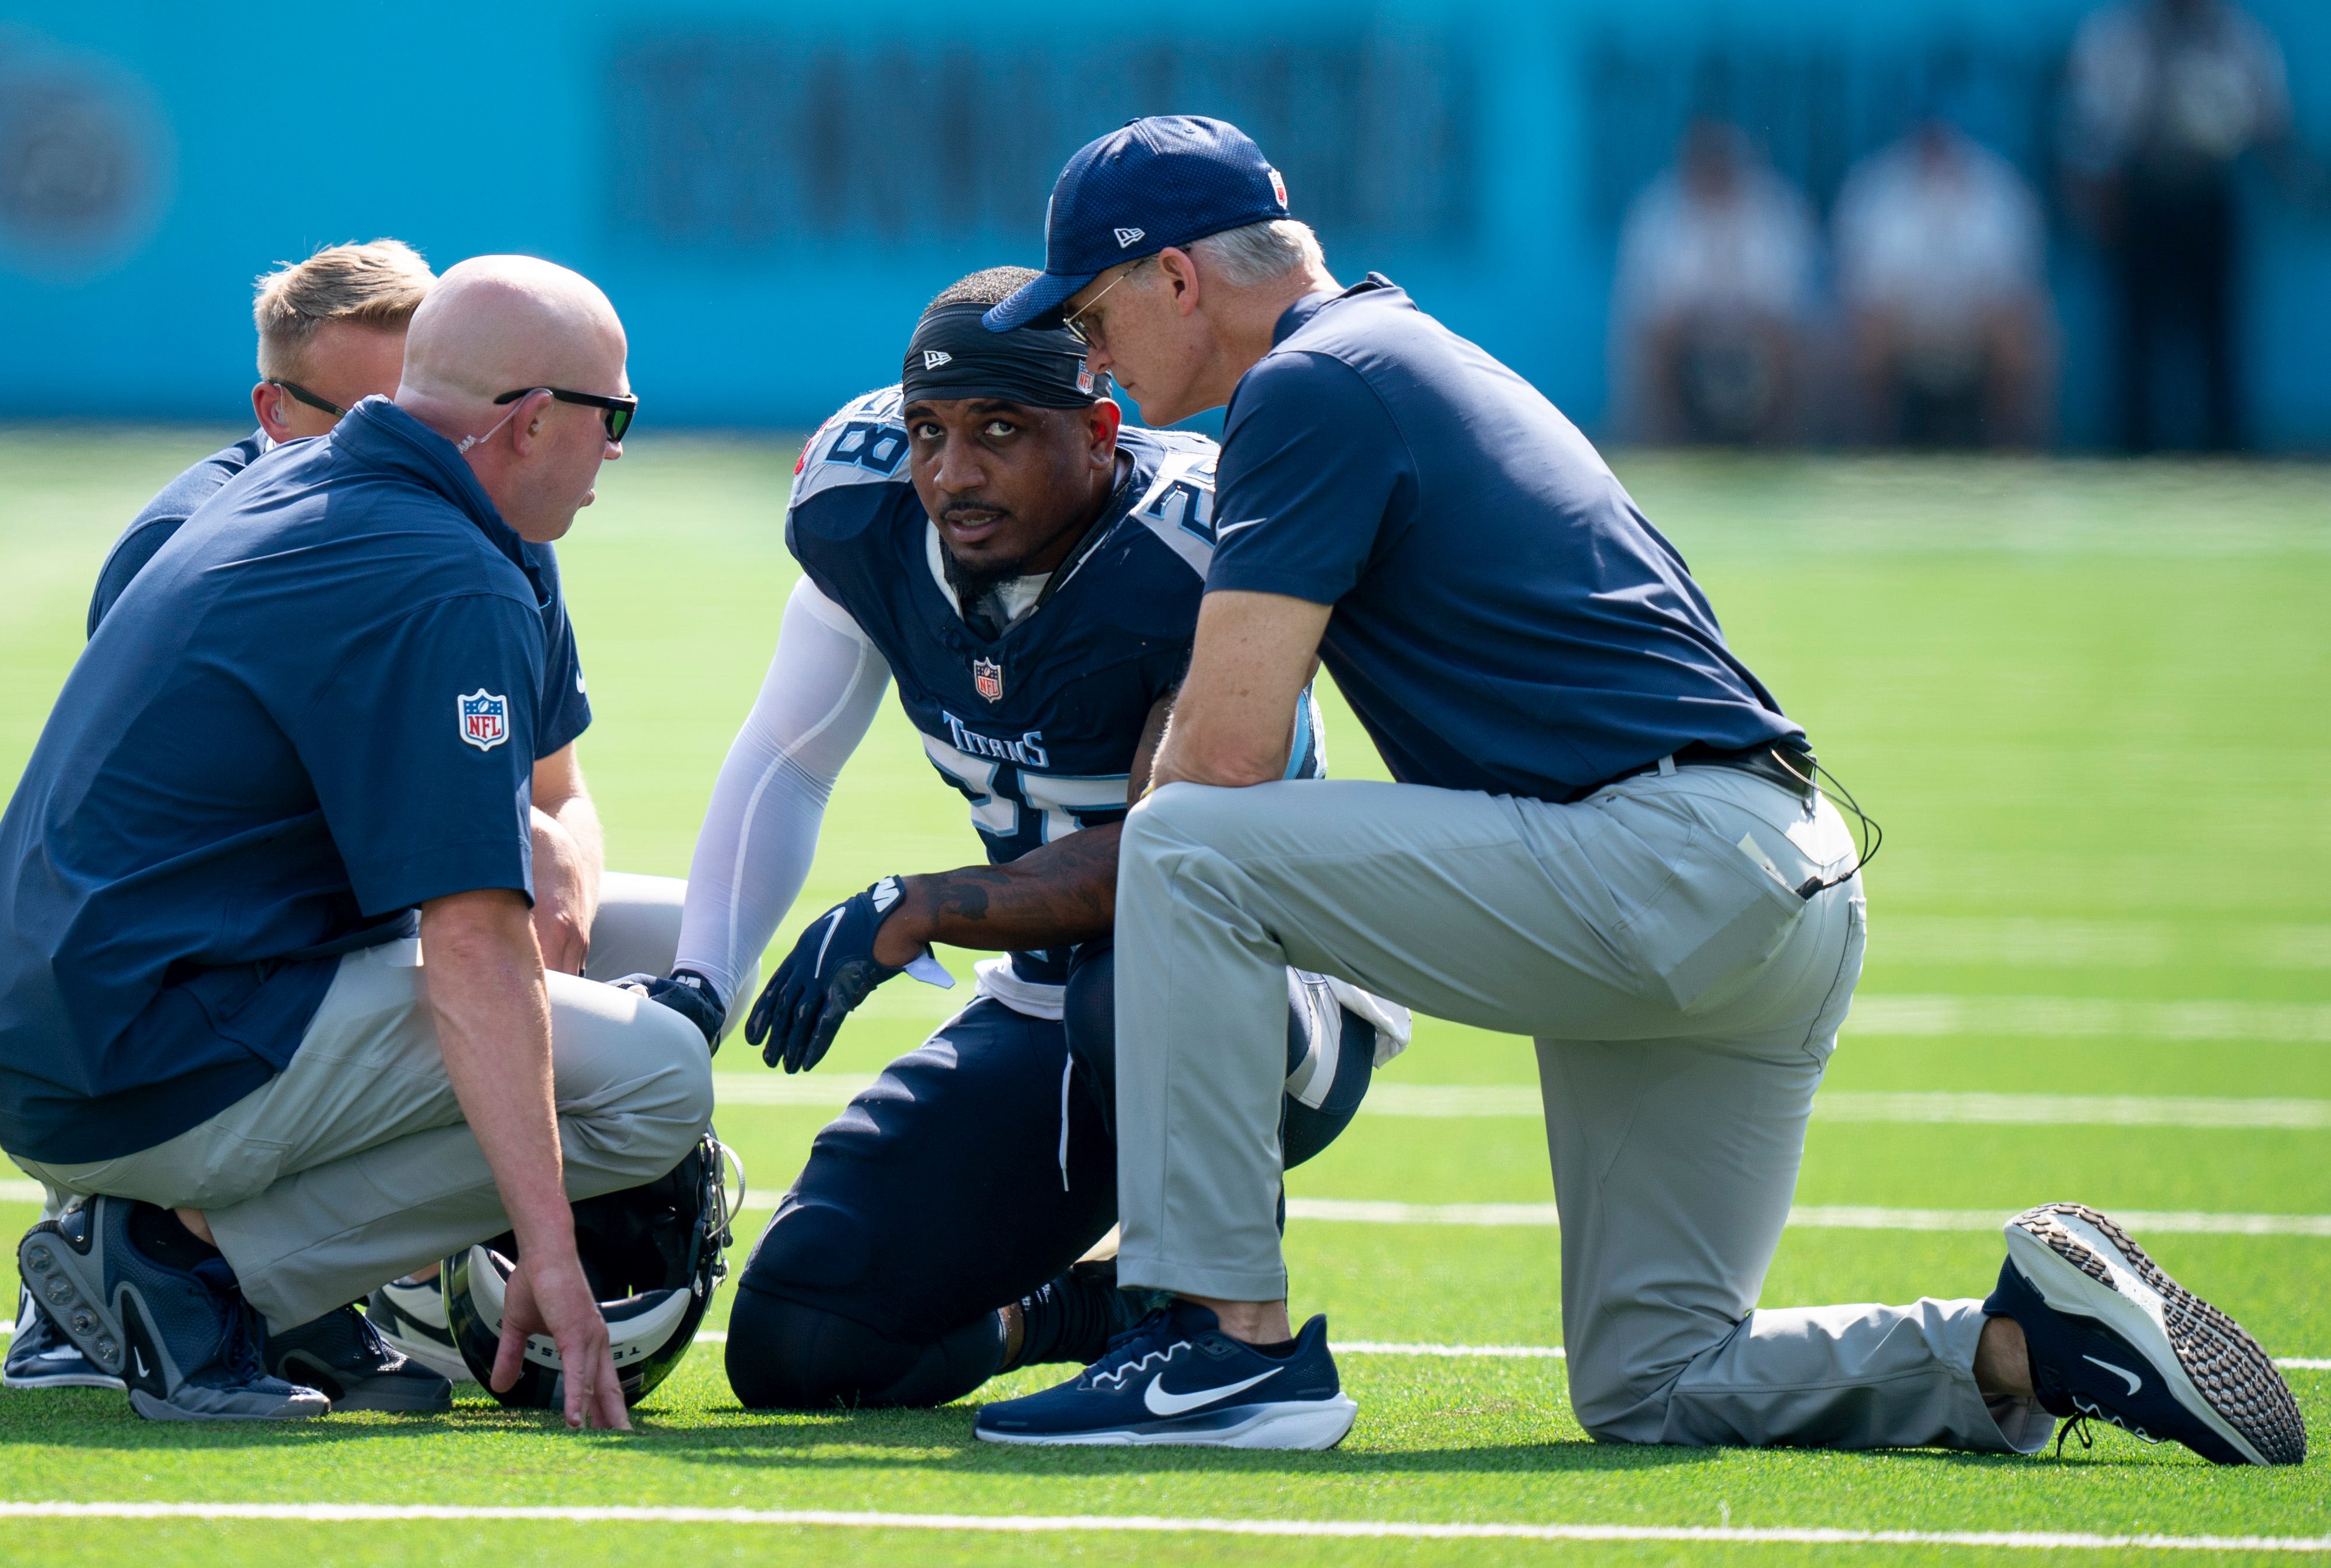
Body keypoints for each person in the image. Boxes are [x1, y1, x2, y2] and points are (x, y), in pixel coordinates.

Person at [967, 114, 2305, 1467]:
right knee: (1654, 1383)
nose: (1087, 358)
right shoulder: (1392, 351)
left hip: (1656, 864)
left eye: (1088, 312)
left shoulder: (1310, 383)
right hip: (1772, 875)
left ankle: (1217, 1348)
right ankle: (2021, 1346)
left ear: (1177, 281)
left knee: (1187, 846)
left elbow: (1224, 767)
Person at [0, 256, 712, 1427]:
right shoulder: (451, 574)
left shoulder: (273, 484)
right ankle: (190, 1267)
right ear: (531, 421)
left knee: (664, 932)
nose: (616, 447)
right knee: (658, 1081)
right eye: (615, 415)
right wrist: (550, 1246)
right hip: (142, 1057)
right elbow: (470, 945)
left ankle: (175, 1240)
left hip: (88, 1012)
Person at [626, 266, 1399, 1411]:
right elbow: (787, 757)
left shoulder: (1199, 544)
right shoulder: (866, 509)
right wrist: (700, 982)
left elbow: (1170, 854)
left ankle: (1216, 1336)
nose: (952, 471)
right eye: (927, 431)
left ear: (1098, 432)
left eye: (998, 430)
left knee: (1131, 974)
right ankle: (1080, 1308)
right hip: (1045, 1002)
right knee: (805, 1333)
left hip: (1264, 1001)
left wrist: (922, 902)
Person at [87, 239, 433, 636]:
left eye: (431, 416)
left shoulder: (482, 500)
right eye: (375, 421)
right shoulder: (175, 547)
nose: (418, 444)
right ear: (276, 411)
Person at [2063, 0, 2296, 451]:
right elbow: (2086, 124)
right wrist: (2090, 195)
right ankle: (2132, 452)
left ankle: (2226, 455)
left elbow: (2270, 122)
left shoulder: (2239, 37)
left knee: (2218, 340)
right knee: (2134, 340)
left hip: (2210, 196)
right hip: (2142, 196)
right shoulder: (2116, 35)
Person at [1833, 118, 2055, 448]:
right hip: (1904, 327)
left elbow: (2015, 291)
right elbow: (1862, 293)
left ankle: (2014, 457)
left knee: (2021, 334)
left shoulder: (1997, 187)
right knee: (1864, 334)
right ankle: (1868, 454)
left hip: (1975, 326)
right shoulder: (1876, 189)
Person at [1613, 119, 1819, 445]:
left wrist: (1738, 325)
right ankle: (1672, 450)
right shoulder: (1657, 214)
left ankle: (1777, 452)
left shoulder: (1775, 208)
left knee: (1791, 342)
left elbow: (1787, 310)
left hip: (1754, 341)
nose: (1715, 172)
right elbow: (1657, 314)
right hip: (1689, 343)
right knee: (1656, 343)